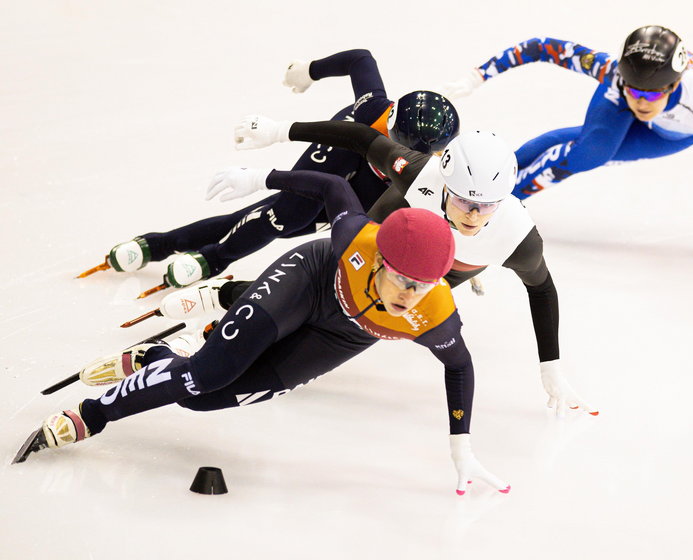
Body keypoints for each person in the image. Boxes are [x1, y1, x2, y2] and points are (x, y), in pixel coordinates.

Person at [15, 169, 508, 496]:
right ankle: (92, 413)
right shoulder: (357, 239)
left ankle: (160, 359)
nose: (410, 295)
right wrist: (262, 177)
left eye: (423, 285)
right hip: (309, 279)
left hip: (343, 336)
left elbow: (460, 366)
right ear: (381, 257)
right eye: (403, 278)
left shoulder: (434, 312)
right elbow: (335, 187)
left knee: (201, 400)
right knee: (207, 376)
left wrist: (461, 444)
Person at [228, 116, 598, 416]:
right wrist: (280, 131)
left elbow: (542, 289)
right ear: (444, 183)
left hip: (421, 279)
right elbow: (360, 137)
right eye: (463, 200)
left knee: (343, 321)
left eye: (486, 206)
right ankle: (224, 299)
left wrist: (550, 363)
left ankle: (233, 310)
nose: (472, 214)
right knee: (314, 292)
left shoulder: (517, 237)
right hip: (377, 241)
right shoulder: (422, 172)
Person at [442, 26, 693, 269]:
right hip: (619, 105)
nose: (641, 102)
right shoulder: (616, 76)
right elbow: (542, 48)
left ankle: (495, 202)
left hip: (671, 133)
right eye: (633, 90)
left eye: (651, 94)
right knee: (589, 150)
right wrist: (477, 76)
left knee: (583, 151)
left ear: (673, 85)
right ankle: (485, 194)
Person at [90, 48, 459, 289]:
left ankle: (161, 244)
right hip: (346, 146)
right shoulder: (370, 113)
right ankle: (209, 258)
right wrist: (309, 72)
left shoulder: (431, 167)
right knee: (286, 212)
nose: (402, 157)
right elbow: (361, 60)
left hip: (377, 186)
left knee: (284, 224)